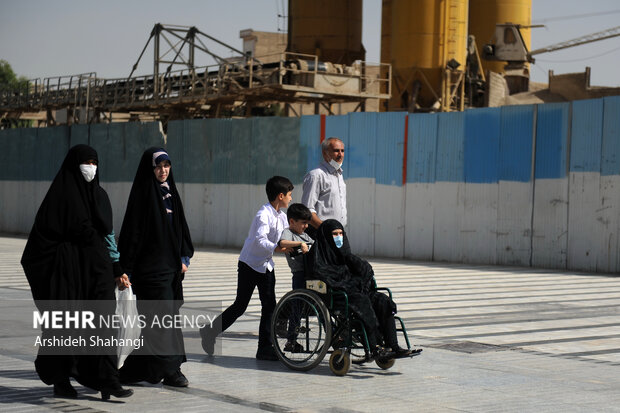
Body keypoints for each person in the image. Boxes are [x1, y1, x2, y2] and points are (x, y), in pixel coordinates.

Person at [21, 144, 133, 400]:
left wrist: (117, 268)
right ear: (74, 164)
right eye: (86, 162)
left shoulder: (100, 195)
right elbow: (42, 240)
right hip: (69, 273)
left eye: (95, 162)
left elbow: (108, 235)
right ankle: (61, 380)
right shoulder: (60, 196)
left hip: (98, 270)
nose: (91, 167)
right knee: (66, 326)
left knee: (103, 324)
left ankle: (108, 381)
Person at [118, 148, 194, 387]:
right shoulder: (143, 195)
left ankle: (145, 369)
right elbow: (132, 234)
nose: (163, 171)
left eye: (167, 166)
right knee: (159, 323)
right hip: (150, 271)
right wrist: (125, 270)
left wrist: (184, 258)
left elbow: (181, 228)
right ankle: (170, 371)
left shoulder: (171, 193)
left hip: (170, 270)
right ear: (150, 169)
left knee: (167, 321)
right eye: (158, 166)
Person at [201, 176, 293, 360]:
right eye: (290, 195)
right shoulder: (263, 214)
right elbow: (260, 240)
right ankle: (210, 331)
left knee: (269, 306)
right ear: (280, 196)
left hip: (266, 265)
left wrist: (297, 244)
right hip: (249, 264)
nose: (291, 198)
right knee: (240, 306)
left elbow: (286, 236)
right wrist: (277, 248)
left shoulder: (282, 217)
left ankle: (264, 348)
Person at [310, 219, 420, 361]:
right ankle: (375, 348)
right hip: (338, 295)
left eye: (340, 233)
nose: (338, 237)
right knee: (363, 302)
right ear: (326, 236)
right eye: (334, 234)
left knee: (383, 300)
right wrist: (349, 283)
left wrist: (351, 260)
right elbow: (324, 276)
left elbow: (364, 271)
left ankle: (394, 346)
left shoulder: (345, 253)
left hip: (355, 291)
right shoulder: (320, 253)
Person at [278, 203, 314, 351]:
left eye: (307, 223)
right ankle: (291, 341)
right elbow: (282, 243)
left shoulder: (305, 235)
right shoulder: (289, 233)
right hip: (299, 274)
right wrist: (300, 244)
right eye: (303, 223)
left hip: (310, 274)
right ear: (292, 222)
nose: (306, 226)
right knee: (297, 308)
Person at [301, 137, 347, 238]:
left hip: (338, 233)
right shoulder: (316, 175)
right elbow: (307, 209)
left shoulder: (339, 175)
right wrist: (325, 229)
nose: (340, 155)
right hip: (321, 233)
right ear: (325, 153)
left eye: (342, 151)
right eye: (336, 151)